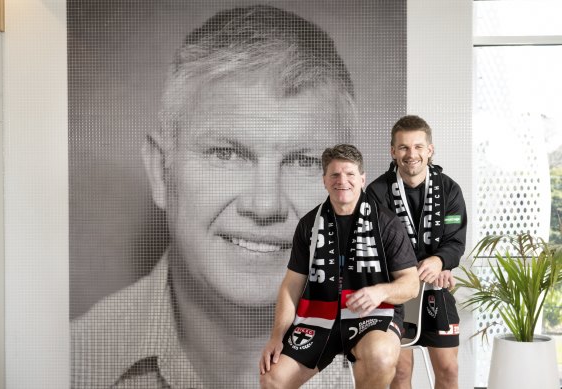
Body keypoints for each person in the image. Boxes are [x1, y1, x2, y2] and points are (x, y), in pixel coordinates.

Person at [71, 5, 365, 388]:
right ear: (161, 172)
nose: (265, 206)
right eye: (226, 154)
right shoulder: (73, 361)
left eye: (305, 161)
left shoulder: (407, 368)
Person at [259, 144, 420, 389]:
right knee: (273, 378)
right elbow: (292, 284)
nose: (342, 181)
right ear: (324, 180)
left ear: (362, 179)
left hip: (373, 316)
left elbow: (411, 284)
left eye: (350, 174)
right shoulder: (308, 224)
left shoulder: (386, 222)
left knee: (380, 357)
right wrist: (276, 336)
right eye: (334, 174)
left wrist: (380, 292)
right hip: (319, 317)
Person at [366, 115, 467, 389]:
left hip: (436, 288)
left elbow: (455, 241)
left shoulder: (449, 189)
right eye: (403, 147)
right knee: (400, 371)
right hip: (395, 291)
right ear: (393, 151)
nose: (412, 154)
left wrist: (440, 260)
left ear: (430, 150)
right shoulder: (376, 192)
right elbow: (374, 245)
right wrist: (416, 268)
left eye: (418, 147)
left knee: (449, 369)